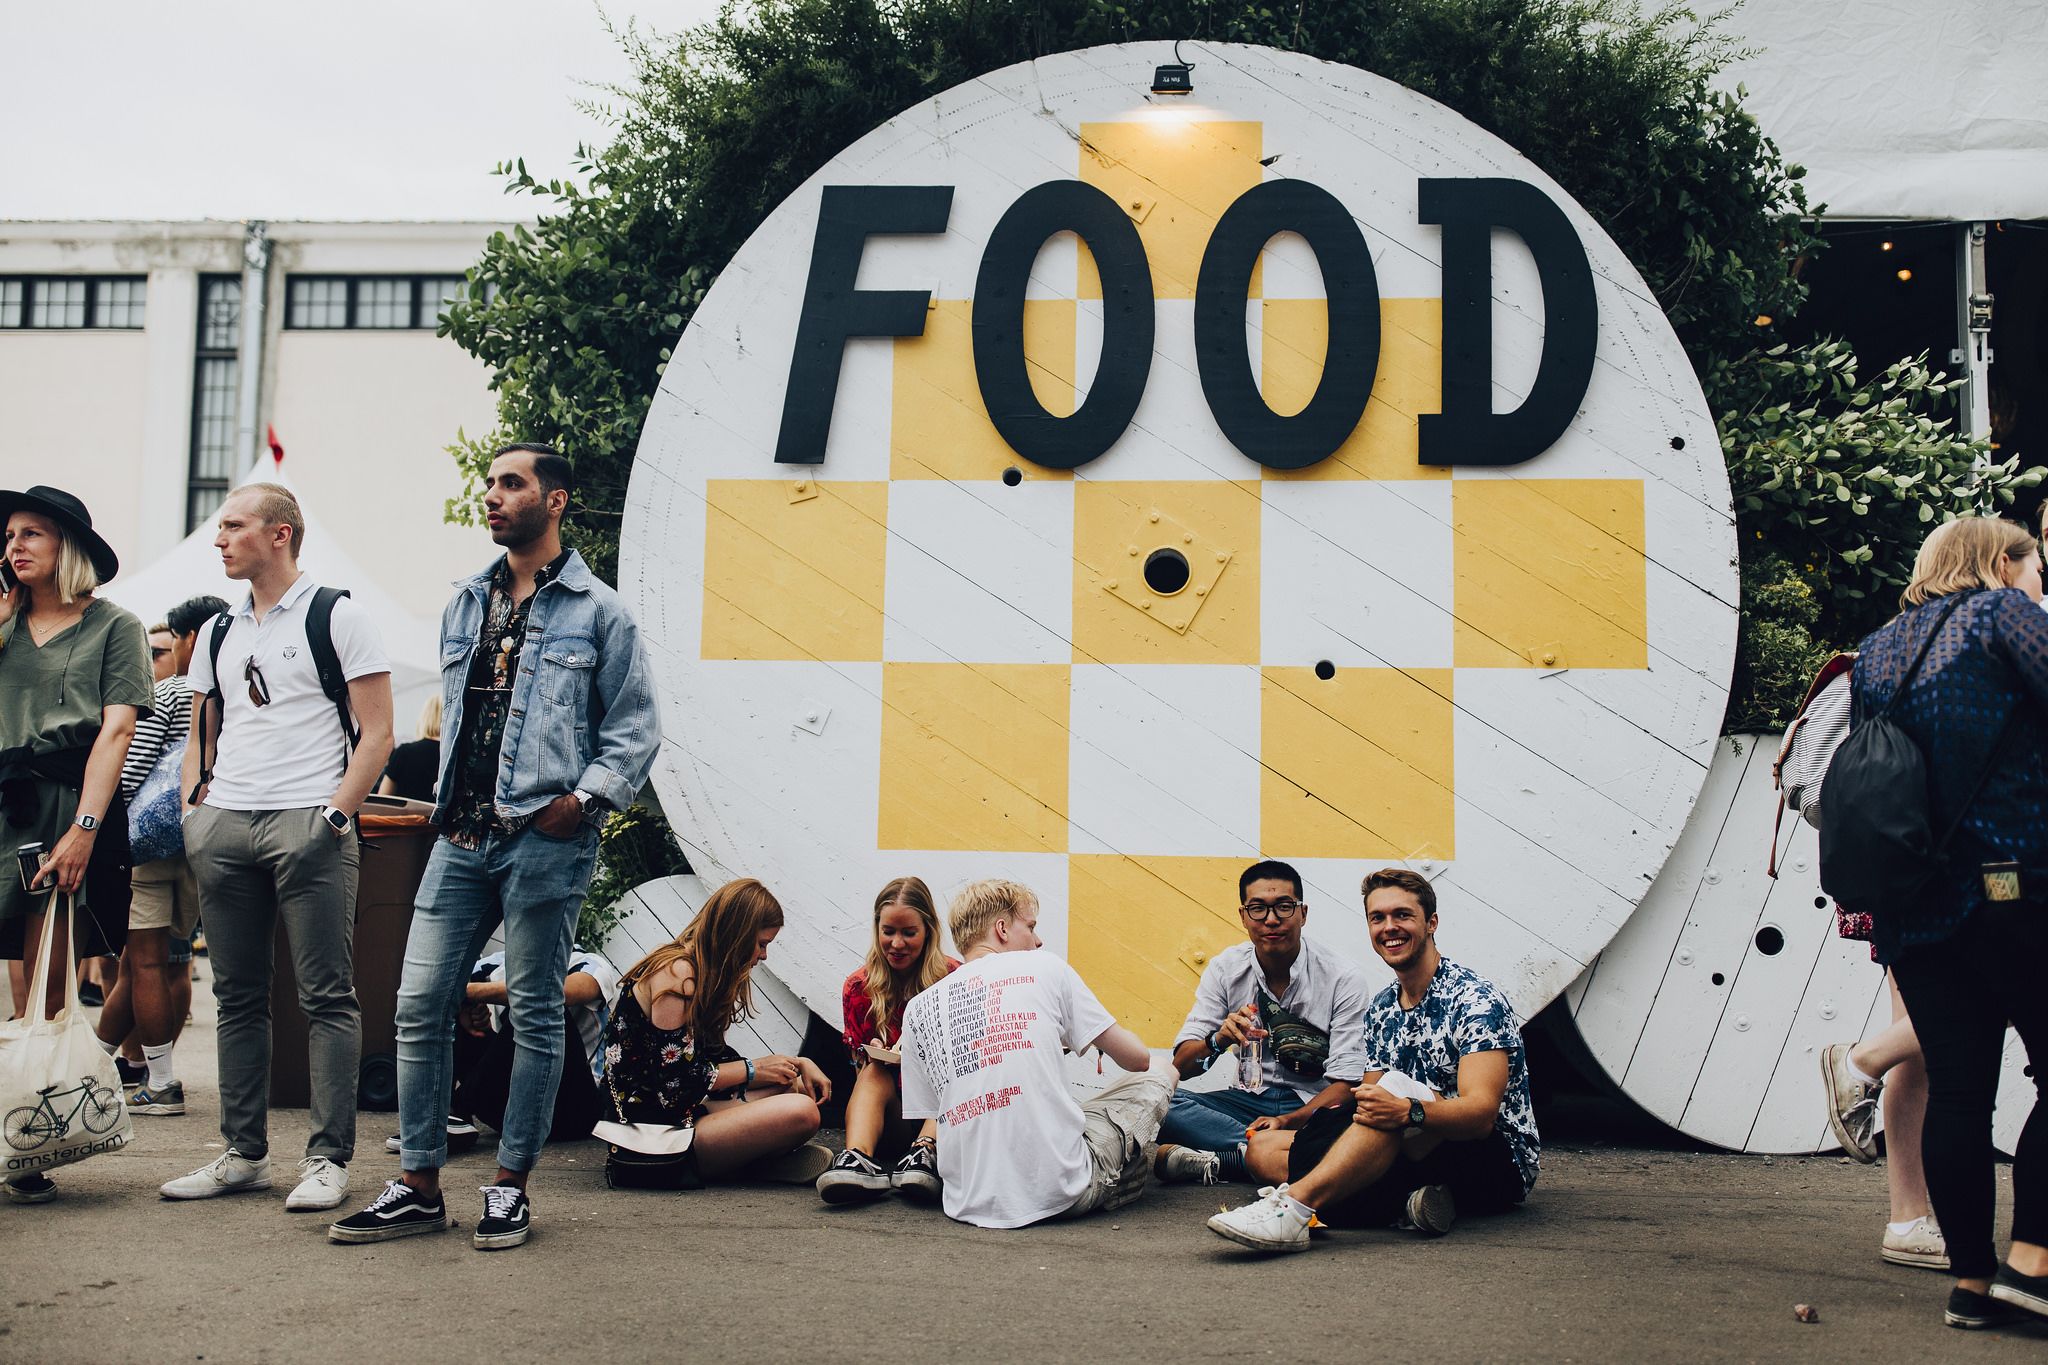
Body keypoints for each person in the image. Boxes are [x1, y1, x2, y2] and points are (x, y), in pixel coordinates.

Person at [331, 443, 661, 1251]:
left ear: (555, 501)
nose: (492, 496)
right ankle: (418, 1182)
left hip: (544, 839)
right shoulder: (464, 603)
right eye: (489, 484)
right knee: (417, 1006)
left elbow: (635, 729)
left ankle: (510, 1185)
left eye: (510, 484)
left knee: (537, 1010)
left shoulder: (601, 612)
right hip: (461, 835)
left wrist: (580, 803)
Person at [161, 483, 395, 1214]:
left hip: (308, 822)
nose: (220, 539)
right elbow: (203, 727)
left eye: (234, 526)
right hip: (226, 821)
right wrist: (197, 809)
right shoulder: (224, 630)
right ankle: (242, 1153)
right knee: (235, 995)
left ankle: (328, 1159)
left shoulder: (338, 615)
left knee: (327, 995)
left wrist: (332, 816)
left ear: (281, 534)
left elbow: (380, 732)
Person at [1840, 516, 2048, 1331]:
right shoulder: (2003, 614)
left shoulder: (1883, 645)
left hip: (1919, 900)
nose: (2039, 590)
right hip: (2017, 882)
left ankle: (1970, 1281)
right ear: (1999, 564)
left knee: (1959, 1089)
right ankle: (2030, 1262)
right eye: (2034, 574)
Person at [1208, 868, 1539, 1253]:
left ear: (1431, 923)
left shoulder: (1474, 1000)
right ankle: (1409, 1205)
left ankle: (1294, 1209)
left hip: (1492, 1159)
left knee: (1390, 1093)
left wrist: (1406, 1111)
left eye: (1402, 915)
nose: (1389, 927)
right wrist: (1297, 1121)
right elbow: (1365, 1096)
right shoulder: (1383, 1006)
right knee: (1264, 1150)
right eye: (1377, 918)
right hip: (1408, 1145)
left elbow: (1481, 1116)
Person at [0, 485, 149, 1205]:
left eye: (32, 533)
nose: (14, 546)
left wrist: (85, 828)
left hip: (64, 802)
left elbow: (116, 731)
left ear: (69, 546)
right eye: (9, 536)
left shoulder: (113, 625)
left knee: (42, 979)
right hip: (3, 798)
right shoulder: (3, 620)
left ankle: (28, 1135)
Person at [897, 879, 1180, 1229]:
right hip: (1061, 1194)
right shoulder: (1045, 966)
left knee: (1068, 1110)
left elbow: (934, 1112)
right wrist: (1087, 1034)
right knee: (1163, 1070)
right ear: (1001, 929)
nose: (1038, 940)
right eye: (1030, 927)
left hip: (965, 1202)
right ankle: (1121, 1180)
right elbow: (1136, 1059)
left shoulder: (918, 1009)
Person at [1153, 859, 1370, 1186]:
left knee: (1348, 1119)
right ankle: (1271, 1156)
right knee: (1158, 1102)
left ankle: (1227, 1162)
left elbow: (1347, 1084)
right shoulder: (1226, 969)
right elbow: (1181, 1066)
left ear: (1303, 913)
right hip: (1247, 1104)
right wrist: (1219, 1040)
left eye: (1284, 906)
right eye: (1258, 908)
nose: (1271, 919)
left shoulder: (1342, 977)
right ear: (1243, 916)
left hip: (1312, 1109)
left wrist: (1286, 1121)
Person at [96, 593, 228, 1117]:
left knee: (142, 962)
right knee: (151, 965)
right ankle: (93, 1065)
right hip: (205, 841)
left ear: (190, 638)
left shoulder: (172, 692)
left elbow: (132, 767)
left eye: (172, 640)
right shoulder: (238, 694)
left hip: (148, 849)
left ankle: (162, 1082)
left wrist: (101, 826)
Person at [383, 945, 620, 1155]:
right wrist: (471, 1014)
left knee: (538, 1004)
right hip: (506, 1109)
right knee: (451, 1004)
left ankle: (459, 1105)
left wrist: (469, 993)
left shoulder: (588, 963)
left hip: (574, 1109)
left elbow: (560, 993)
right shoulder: (496, 963)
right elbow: (436, 988)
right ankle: (443, 1117)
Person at [816, 876, 958, 1203]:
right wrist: (872, 1058)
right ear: (877, 927)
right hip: (892, 1116)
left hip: (944, 1119)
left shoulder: (954, 979)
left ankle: (926, 1152)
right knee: (872, 1071)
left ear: (929, 931)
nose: (896, 944)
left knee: (956, 1066)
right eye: (888, 931)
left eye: (909, 933)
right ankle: (857, 1158)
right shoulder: (859, 987)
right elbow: (859, 1074)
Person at [378, 695, 441, 801]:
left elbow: (382, 800)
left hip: (408, 817)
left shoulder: (404, 752)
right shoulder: (459, 756)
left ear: (425, 718)